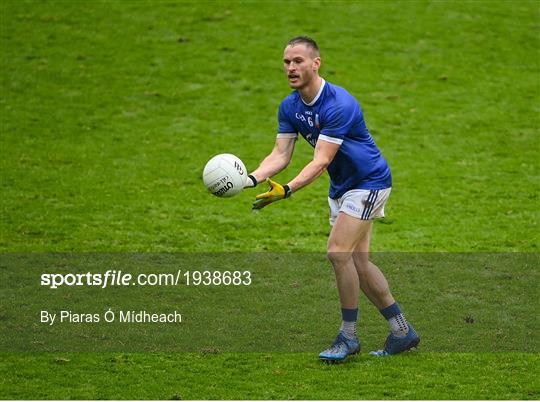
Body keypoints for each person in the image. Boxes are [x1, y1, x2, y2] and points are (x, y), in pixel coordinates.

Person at [244, 36, 420, 362]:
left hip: (368, 182)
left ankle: (348, 337)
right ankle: (401, 331)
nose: (291, 68)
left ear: (316, 63)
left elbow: (321, 160)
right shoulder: (290, 106)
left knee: (338, 253)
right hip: (343, 187)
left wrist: (288, 189)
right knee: (358, 263)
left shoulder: (338, 103)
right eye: (286, 62)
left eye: (298, 61)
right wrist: (251, 177)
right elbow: (281, 153)